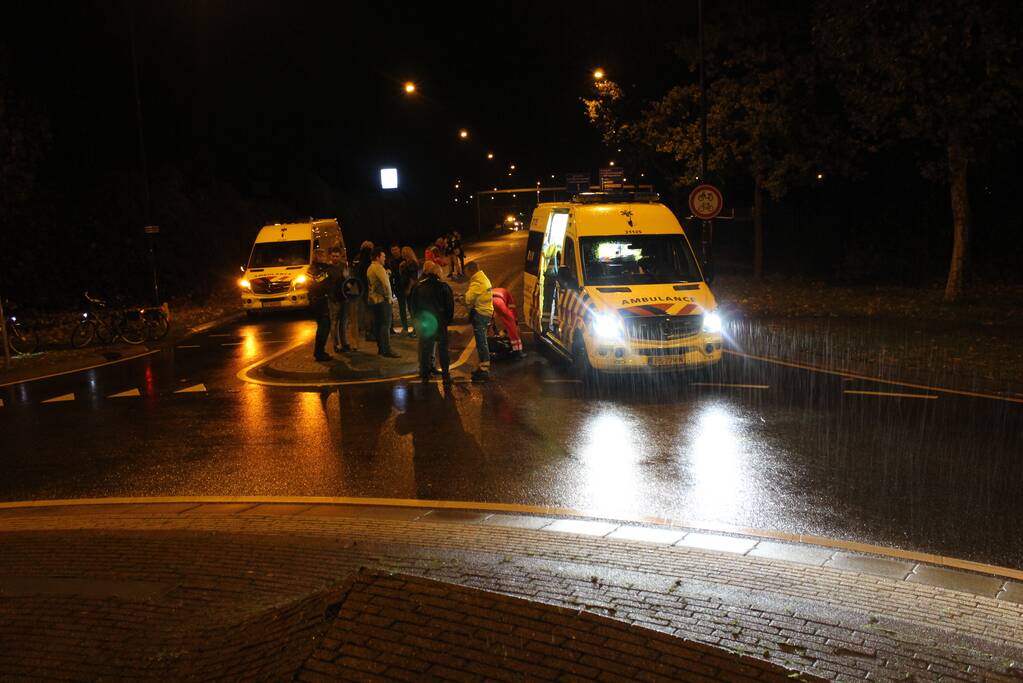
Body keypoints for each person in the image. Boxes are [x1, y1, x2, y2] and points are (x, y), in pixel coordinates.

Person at [409, 260, 454, 384]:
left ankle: (425, 375)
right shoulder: (444, 287)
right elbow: (450, 308)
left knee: (425, 349)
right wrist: (446, 321)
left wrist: (416, 320)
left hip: (425, 323)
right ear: (439, 273)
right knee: (443, 349)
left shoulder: (419, 286)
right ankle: (446, 374)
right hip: (440, 323)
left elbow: (413, 306)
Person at [463, 260, 494, 381]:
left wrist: (460, 298)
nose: (465, 275)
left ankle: (484, 369)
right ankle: (482, 366)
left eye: (466, 272)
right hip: (486, 312)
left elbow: (468, 298)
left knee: (481, 341)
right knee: (482, 340)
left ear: (471, 270)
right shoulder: (482, 278)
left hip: (481, 314)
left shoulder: (477, 281)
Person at [367, 246, 399, 358]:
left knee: (379, 325)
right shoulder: (378, 268)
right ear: (378, 257)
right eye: (383, 256)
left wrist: (387, 273)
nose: (385, 258)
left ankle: (381, 348)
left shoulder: (371, 268)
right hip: (382, 301)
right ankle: (387, 350)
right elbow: (386, 284)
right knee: (385, 325)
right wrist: (389, 298)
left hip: (374, 301)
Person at [307, 249, 335, 362]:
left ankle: (320, 351)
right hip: (318, 300)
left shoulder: (320, 268)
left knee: (325, 325)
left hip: (321, 299)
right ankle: (319, 353)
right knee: (323, 326)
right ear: (317, 257)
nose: (325, 258)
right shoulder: (314, 269)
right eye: (323, 256)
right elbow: (317, 282)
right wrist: (327, 272)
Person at [327, 246, 351, 353]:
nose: (335, 258)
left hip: (344, 298)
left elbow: (349, 282)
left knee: (344, 322)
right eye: (333, 256)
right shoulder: (328, 268)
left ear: (340, 256)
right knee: (334, 323)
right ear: (330, 256)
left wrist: (346, 277)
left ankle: (345, 343)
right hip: (334, 300)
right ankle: (336, 345)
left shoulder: (343, 266)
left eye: (337, 256)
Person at [491, 287, 525, 359]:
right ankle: (518, 351)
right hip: (499, 302)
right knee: (511, 324)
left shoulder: (498, 290)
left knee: (491, 320)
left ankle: (492, 342)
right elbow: (512, 310)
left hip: (488, 300)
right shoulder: (508, 295)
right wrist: (515, 321)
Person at [354, 240, 375, 342]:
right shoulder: (368, 259)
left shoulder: (357, 259)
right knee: (369, 310)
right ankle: (369, 332)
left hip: (359, 287)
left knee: (363, 309)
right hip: (367, 287)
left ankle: (362, 329)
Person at [397, 246, 419, 336]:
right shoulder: (406, 263)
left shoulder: (412, 264)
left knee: (412, 309)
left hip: (411, 289)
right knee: (411, 309)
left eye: (403, 252)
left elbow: (412, 278)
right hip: (407, 288)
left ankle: (416, 330)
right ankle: (415, 329)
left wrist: (408, 289)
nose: (401, 254)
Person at [387, 245, 403, 334]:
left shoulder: (403, 260)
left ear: (399, 249)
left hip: (404, 286)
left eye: (395, 249)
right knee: (401, 308)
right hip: (397, 287)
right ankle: (403, 327)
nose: (394, 251)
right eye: (392, 250)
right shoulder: (392, 262)